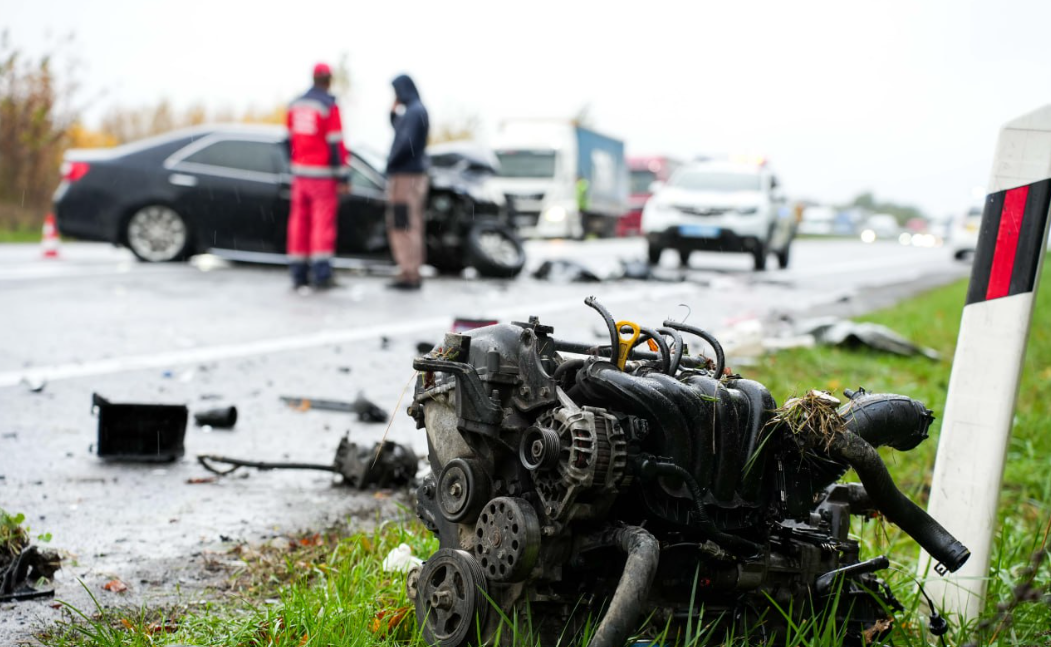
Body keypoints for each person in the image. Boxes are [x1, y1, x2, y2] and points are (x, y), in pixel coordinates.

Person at [286, 63, 349, 290]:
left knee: (298, 224)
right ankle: (322, 274)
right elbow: (335, 143)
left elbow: (288, 140)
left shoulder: (295, 104)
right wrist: (343, 177)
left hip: (299, 175)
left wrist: (294, 164)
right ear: (329, 80)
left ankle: (298, 273)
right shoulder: (328, 106)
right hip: (322, 176)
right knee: (322, 224)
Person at [386, 74, 430, 290]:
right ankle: (411, 270)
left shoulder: (414, 111)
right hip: (412, 175)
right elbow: (402, 132)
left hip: (405, 178)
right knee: (410, 223)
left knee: (403, 224)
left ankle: (408, 273)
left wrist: (390, 164)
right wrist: (392, 114)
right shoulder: (415, 111)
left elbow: (405, 143)